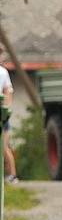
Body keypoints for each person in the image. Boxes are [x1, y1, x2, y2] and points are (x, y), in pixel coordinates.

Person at [0, 47, 18, 184]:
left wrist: (6, 110)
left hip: (2, 114)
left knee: (4, 146)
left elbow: (8, 92)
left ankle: (12, 175)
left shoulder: (3, 72)